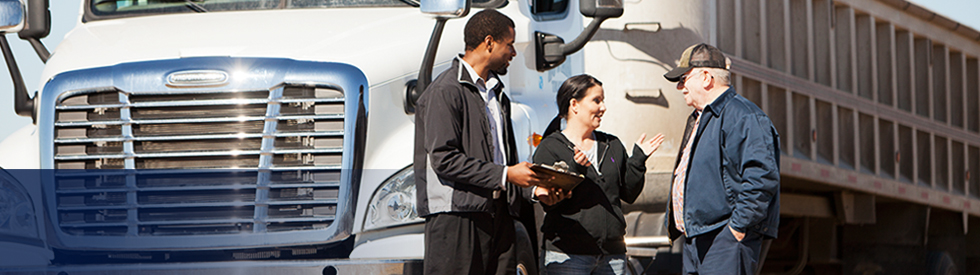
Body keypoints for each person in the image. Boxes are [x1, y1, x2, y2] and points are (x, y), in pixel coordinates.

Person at [414, 8, 549, 275]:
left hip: (498, 215)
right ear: (489, 43)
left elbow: (502, 162)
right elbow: (444, 159)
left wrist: (534, 190)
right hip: (456, 219)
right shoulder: (445, 92)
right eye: (509, 45)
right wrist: (507, 174)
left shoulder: (497, 94)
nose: (513, 52)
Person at [662, 43, 781, 274]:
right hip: (698, 238)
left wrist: (736, 228)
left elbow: (761, 177)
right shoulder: (701, 118)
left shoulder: (743, 116)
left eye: (683, 79)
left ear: (706, 77)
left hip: (723, 238)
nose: (679, 87)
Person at [529, 74, 665, 275]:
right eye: (596, 100)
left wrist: (638, 159)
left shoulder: (612, 145)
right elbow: (549, 201)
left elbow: (629, 193)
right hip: (568, 256)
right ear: (574, 105)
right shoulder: (550, 148)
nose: (603, 107)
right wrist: (575, 170)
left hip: (612, 255)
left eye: (603, 101)